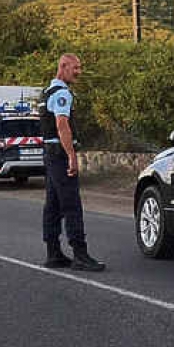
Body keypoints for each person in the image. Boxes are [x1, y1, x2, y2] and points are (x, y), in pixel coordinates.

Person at [39, 54, 105, 271]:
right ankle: (80, 254)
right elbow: (62, 125)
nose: (79, 72)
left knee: (53, 205)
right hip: (59, 155)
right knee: (71, 205)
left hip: (49, 155)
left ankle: (53, 253)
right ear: (63, 66)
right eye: (75, 68)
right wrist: (71, 156)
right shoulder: (62, 94)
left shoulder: (46, 91)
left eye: (80, 68)